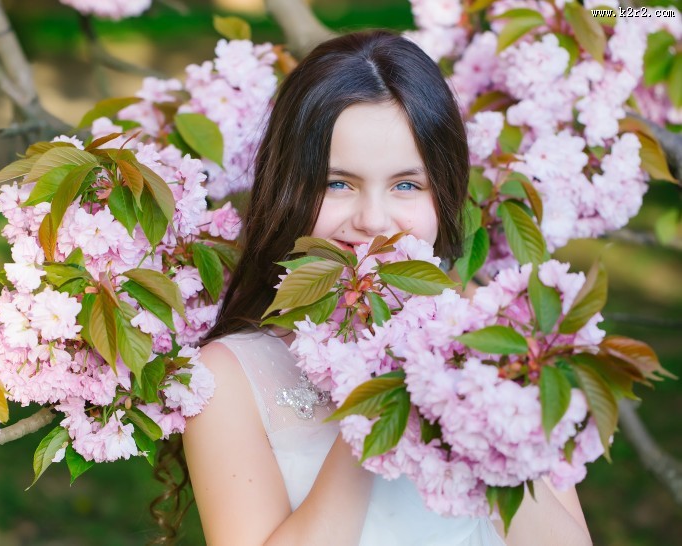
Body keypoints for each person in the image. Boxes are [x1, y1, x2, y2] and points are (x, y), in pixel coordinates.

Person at [182, 30, 593, 546]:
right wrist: (379, 409)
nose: (373, 220)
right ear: (290, 188)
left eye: (406, 185)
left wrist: (495, 419)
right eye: (338, 183)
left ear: (441, 195)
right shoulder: (228, 378)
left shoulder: (496, 336)